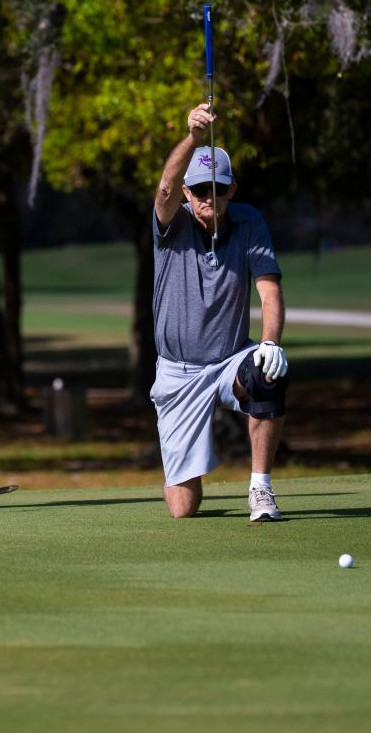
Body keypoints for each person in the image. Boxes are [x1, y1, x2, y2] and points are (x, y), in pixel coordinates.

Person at [150, 103, 289, 521]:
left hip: (230, 359)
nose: (208, 197)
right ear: (188, 194)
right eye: (199, 190)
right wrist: (192, 138)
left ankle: (260, 490)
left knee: (267, 374)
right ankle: (180, 464)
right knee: (183, 509)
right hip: (178, 371)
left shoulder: (249, 223)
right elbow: (164, 189)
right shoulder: (172, 222)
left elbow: (269, 291)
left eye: (217, 188)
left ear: (231, 189)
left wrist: (270, 343)